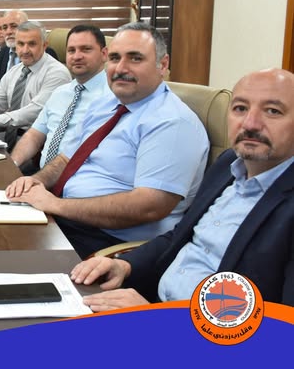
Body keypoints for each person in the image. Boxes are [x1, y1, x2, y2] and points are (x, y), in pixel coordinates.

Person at [72, 68, 294, 309]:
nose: (250, 124)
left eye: (273, 111)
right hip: (152, 301)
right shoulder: (228, 164)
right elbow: (180, 236)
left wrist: (157, 320)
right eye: (240, 108)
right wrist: (125, 265)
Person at [6, 22, 209, 258]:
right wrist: (36, 182)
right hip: (66, 219)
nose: (121, 68)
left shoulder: (172, 122)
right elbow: (65, 159)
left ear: (162, 65)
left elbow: (149, 206)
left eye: (135, 58)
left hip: (112, 244)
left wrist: (55, 205)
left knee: (6, 258)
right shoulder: (105, 104)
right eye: (114, 58)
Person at [10, 24, 111, 175]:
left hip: (79, 180)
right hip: (42, 175)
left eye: (85, 49)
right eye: (71, 50)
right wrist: (12, 166)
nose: (77, 56)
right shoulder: (60, 92)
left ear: (104, 54)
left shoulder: (113, 98)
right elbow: (34, 136)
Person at [0, 20, 71, 148]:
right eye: (20, 44)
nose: (25, 50)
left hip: (38, 143)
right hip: (9, 133)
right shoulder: (16, 70)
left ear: (44, 45)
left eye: (32, 44)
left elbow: (35, 112)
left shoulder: (57, 73)